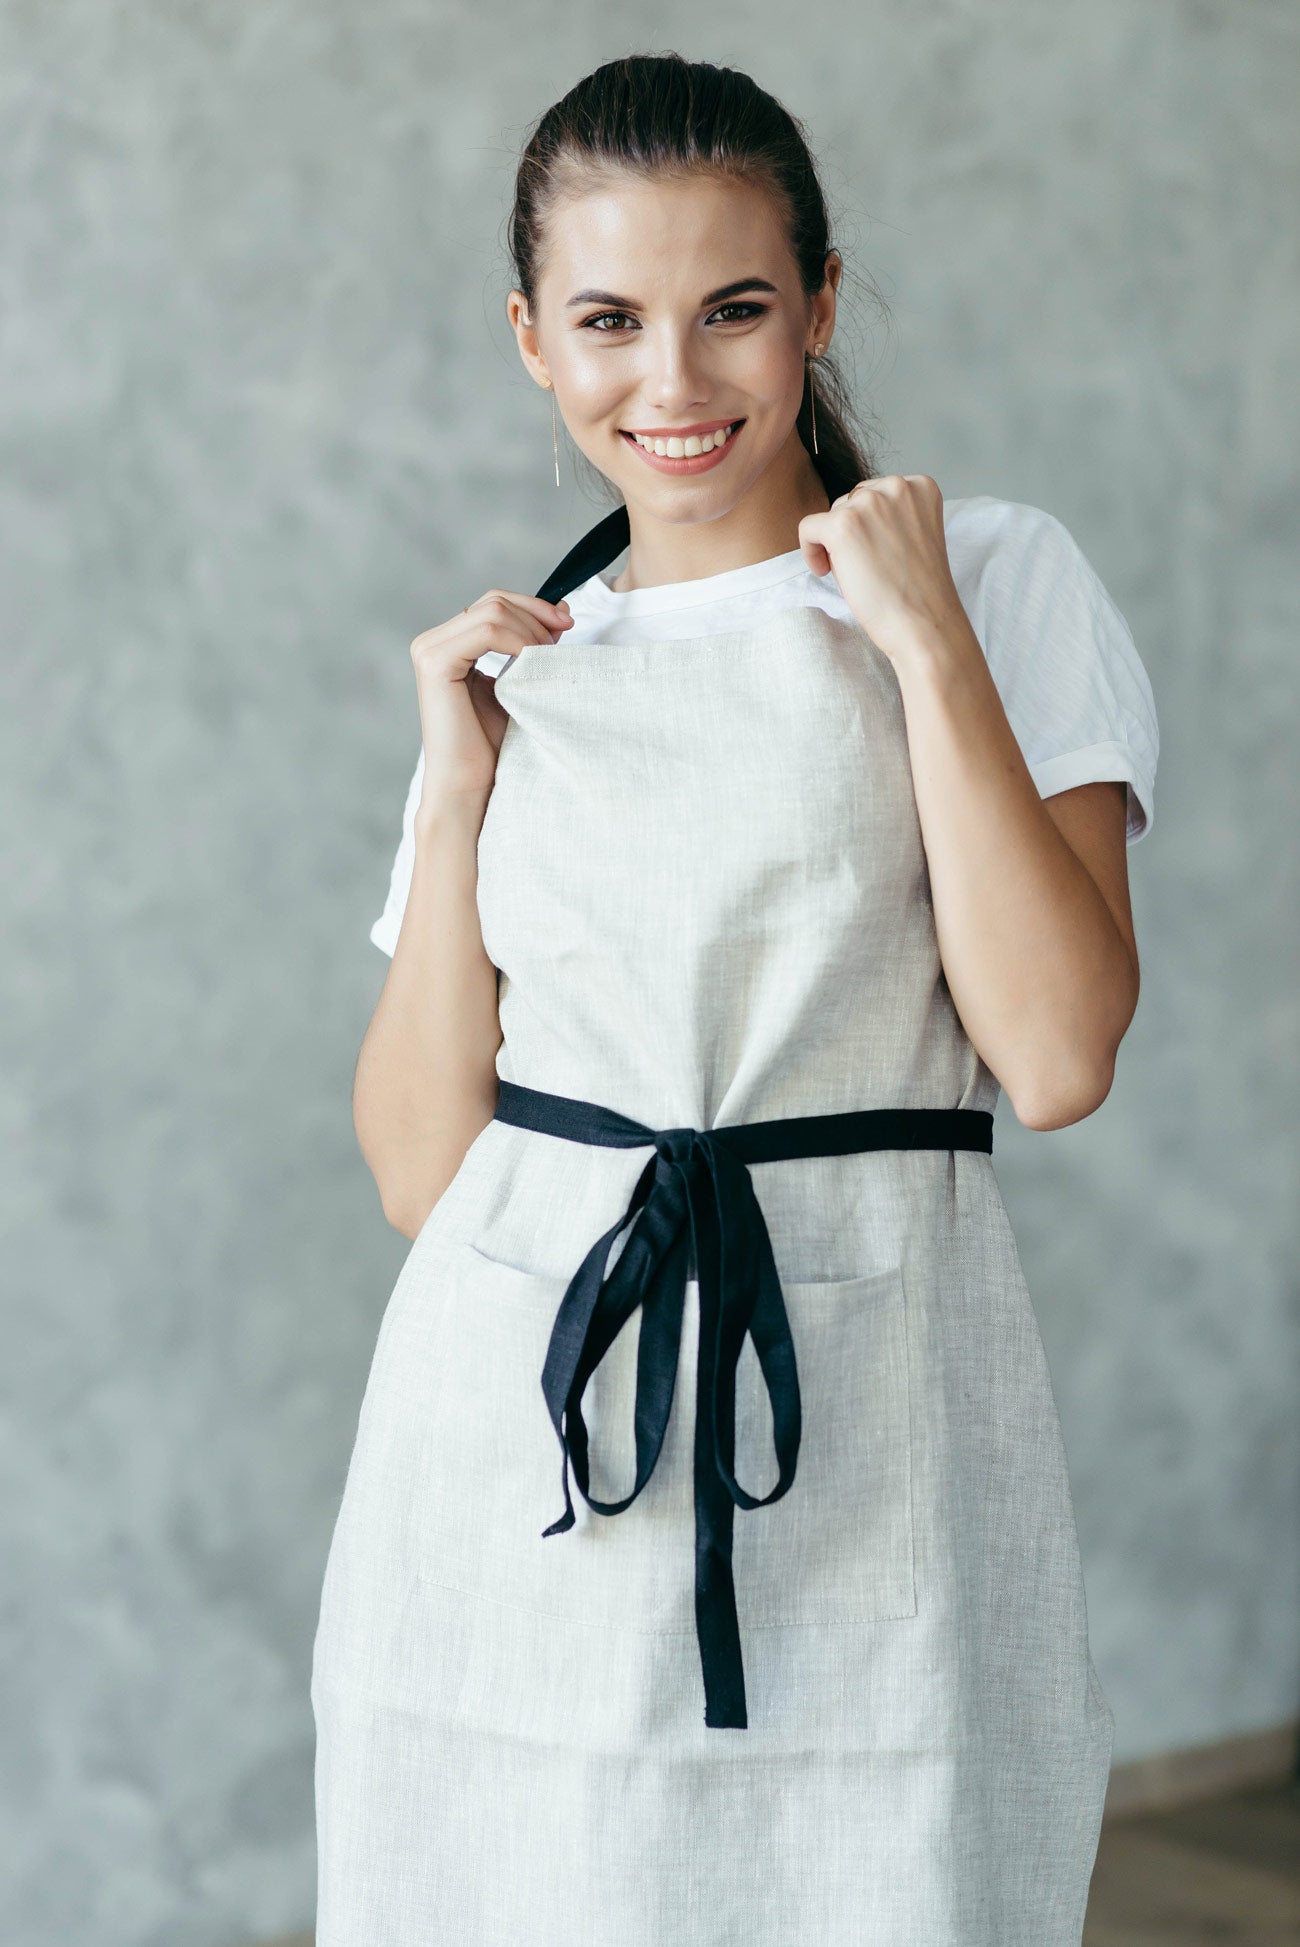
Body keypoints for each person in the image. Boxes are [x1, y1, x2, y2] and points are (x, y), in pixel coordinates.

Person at [311, 50, 1159, 1947]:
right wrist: (453, 789)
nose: (673, 384)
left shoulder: (998, 580)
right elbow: (421, 1172)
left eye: (736, 310)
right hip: (520, 1442)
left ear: (823, 305)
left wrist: (923, 642)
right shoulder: (524, 674)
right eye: (609, 321)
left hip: (873, 1416)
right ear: (533, 340)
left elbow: (1058, 1048)